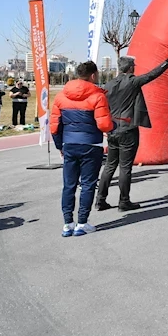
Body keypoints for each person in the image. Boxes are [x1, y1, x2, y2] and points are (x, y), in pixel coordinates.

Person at [96, 46, 168, 212]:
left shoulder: (109, 85)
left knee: (109, 166)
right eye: (133, 66)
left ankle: (100, 200)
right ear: (130, 68)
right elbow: (152, 74)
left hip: (112, 130)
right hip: (127, 129)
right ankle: (124, 201)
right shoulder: (132, 81)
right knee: (125, 167)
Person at [50, 61, 114, 237]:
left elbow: (55, 127)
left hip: (69, 145)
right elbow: (104, 124)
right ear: (93, 75)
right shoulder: (98, 96)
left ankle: (67, 224)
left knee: (68, 186)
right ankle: (82, 222)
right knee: (87, 185)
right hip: (91, 146)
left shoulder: (61, 96)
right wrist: (113, 125)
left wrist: (59, 146)